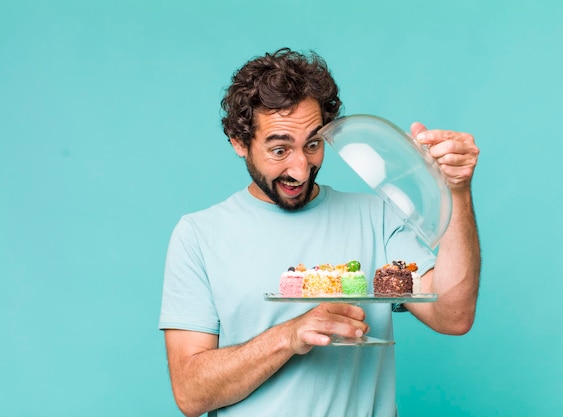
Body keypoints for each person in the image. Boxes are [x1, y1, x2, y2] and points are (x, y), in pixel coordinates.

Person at [159, 47, 481, 417]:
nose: (300, 169)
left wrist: (457, 189)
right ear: (239, 142)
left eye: (312, 145)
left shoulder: (375, 216)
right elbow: (190, 394)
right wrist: (289, 335)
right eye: (280, 149)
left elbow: (453, 315)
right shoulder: (199, 235)